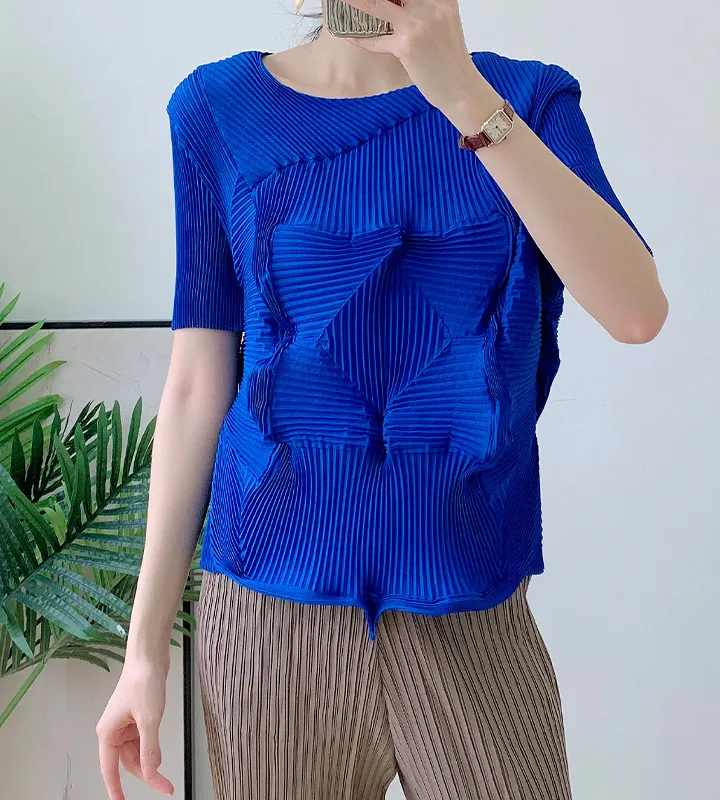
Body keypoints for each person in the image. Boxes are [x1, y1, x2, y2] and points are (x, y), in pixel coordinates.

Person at [96, 0, 668, 798]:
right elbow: (197, 381)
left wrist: (462, 94)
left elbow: (636, 312)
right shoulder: (217, 109)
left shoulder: (528, 100)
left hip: (472, 606)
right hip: (270, 620)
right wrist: (144, 650)